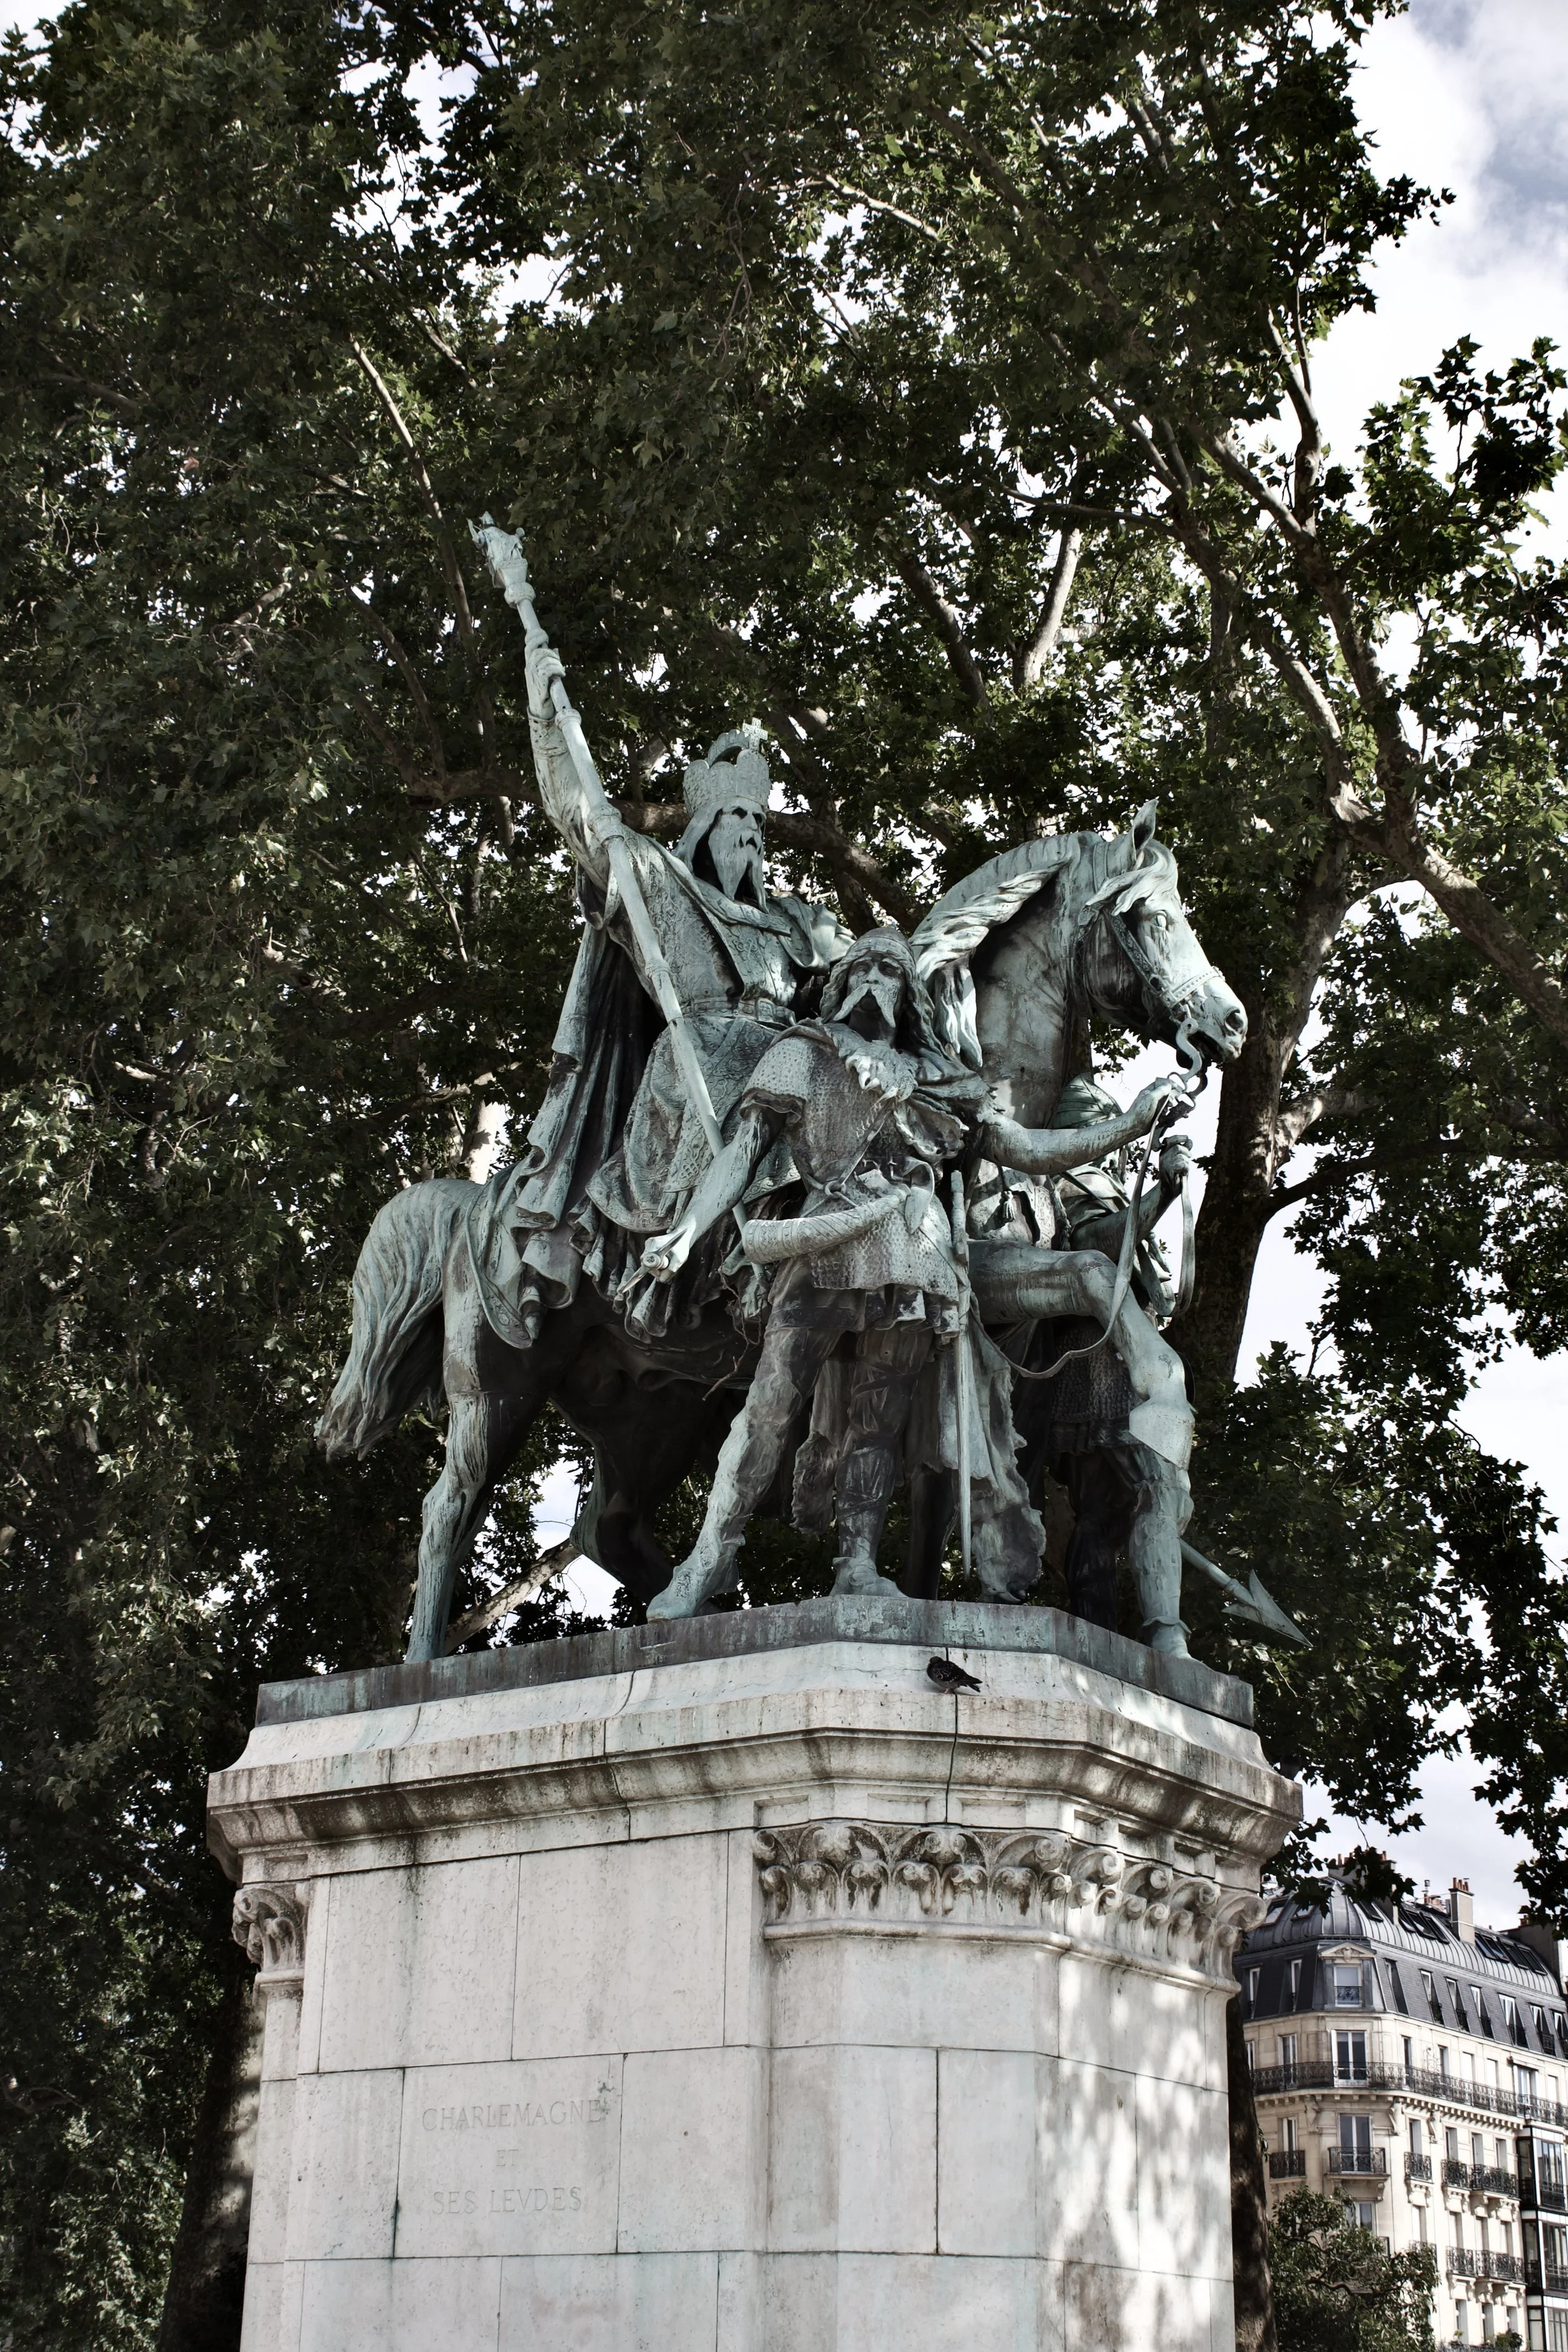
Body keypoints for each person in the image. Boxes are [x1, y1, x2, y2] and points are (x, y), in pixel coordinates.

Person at [638, 928, 1185, 1618]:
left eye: (887, 971)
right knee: (770, 1407)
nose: (871, 978)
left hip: (915, 1258)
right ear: (840, 984)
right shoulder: (800, 1055)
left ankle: (858, 1563)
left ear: (909, 996)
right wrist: (688, 1230)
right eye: (859, 967)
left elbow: (1028, 1150)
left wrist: (1129, 1126)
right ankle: (710, 1553)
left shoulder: (941, 1080)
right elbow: (741, 1154)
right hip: (820, 1246)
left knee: (880, 1420)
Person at [464, 628, 853, 1350]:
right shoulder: (660, 886)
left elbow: (862, 987)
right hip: (698, 1060)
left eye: (759, 821)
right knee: (756, 1086)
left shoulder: (798, 922)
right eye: (735, 816)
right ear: (703, 823)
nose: (750, 832)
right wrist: (548, 721)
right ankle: (702, 1255)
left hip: (788, 1065)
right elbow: (577, 818)